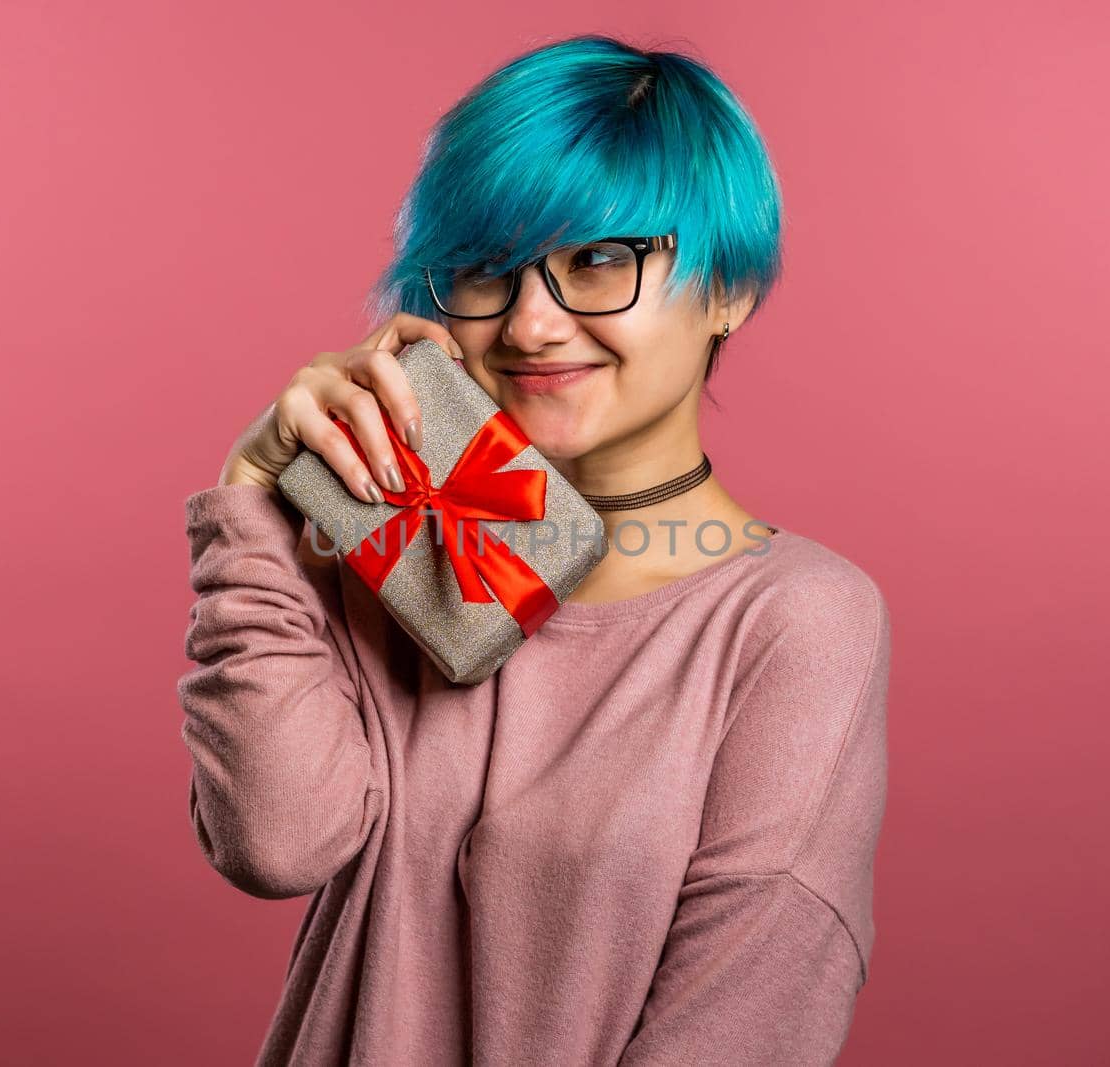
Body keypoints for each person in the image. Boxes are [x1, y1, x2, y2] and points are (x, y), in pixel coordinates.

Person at [178, 34, 890, 1066]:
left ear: (729, 286)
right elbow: (274, 841)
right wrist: (252, 494)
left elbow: (744, 1015)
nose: (531, 324)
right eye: (486, 268)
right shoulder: (385, 553)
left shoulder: (794, 620)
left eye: (598, 259)